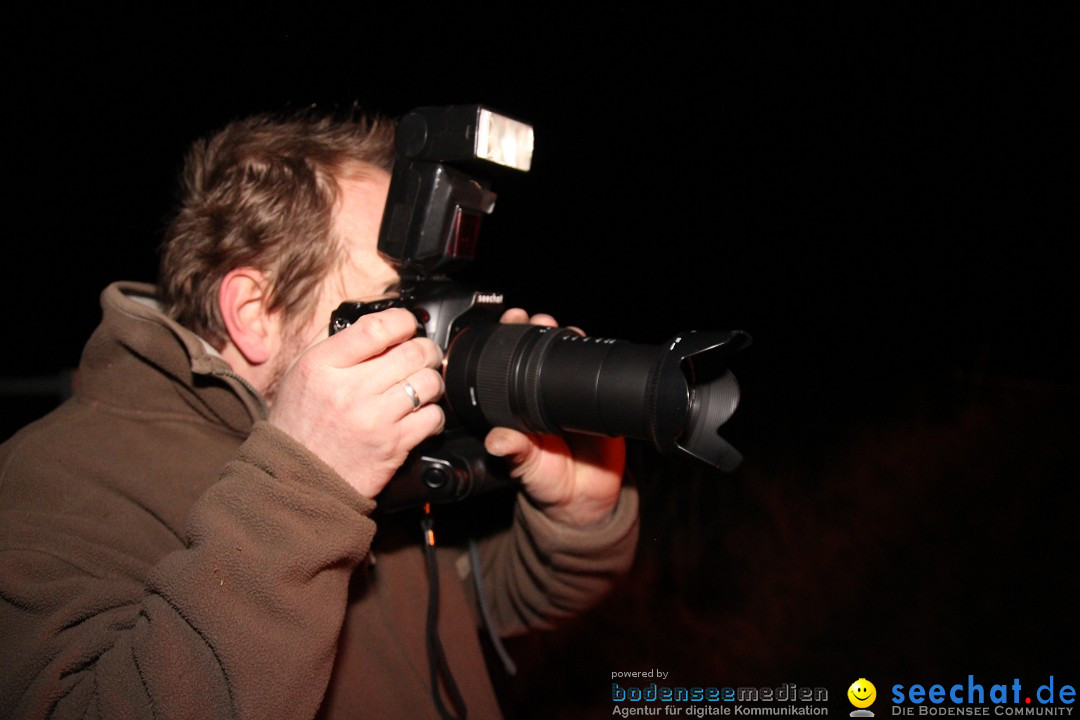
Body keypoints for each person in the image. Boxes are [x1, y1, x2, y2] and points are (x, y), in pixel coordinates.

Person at [0, 107, 639, 719]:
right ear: (253, 313)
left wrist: (576, 524)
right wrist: (303, 486)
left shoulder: (370, 449)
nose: (432, 339)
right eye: (396, 302)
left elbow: (459, 616)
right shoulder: (50, 480)